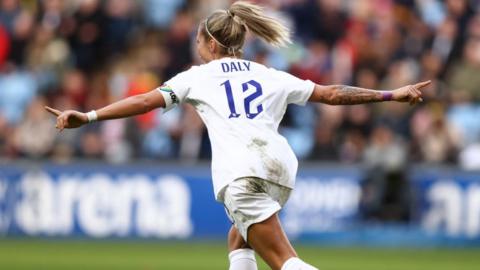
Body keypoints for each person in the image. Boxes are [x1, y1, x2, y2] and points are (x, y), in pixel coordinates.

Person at [45, 2, 430, 270]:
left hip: (241, 173)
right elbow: (330, 94)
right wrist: (390, 94)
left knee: (285, 261)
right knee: (238, 239)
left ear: (210, 43)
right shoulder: (268, 73)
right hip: (279, 169)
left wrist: (91, 115)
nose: (197, 48)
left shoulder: (197, 77)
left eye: (199, 42)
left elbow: (147, 101)